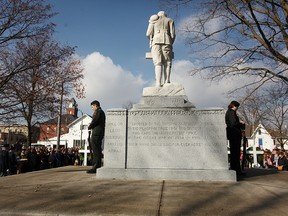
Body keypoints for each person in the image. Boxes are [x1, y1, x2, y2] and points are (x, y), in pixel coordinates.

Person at [146, 11, 176, 87]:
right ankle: (167, 81)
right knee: (167, 62)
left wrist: (151, 39)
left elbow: (148, 33)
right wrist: (170, 42)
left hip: (156, 42)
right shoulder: (170, 20)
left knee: (157, 63)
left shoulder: (154, 20)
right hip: (167, 41)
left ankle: (158, 83)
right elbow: (172, 35)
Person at [225, 101, 245, 176]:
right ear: (234, 106)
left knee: (235, 153)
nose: (237, 109)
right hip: (234, 134)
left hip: (233, 134)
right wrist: (241, 123)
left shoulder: (230, 113)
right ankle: (236, 170)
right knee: (235, 153)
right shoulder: (231, 112)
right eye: (237, 107)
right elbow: (233, 123)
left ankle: (237, 169)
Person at [87, 100, 105, 174]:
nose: (92, 108)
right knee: (96, 149)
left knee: (96, 150)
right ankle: (96, 166)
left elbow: (95, 120)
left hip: (97, 133)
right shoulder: (101, 112)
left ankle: (96, 167)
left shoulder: (98, 112)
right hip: (98, 132)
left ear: (95, 105)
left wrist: (90, 126)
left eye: (92, 107)